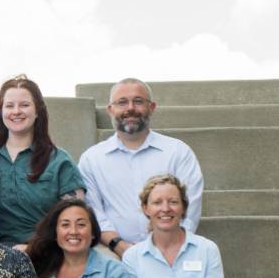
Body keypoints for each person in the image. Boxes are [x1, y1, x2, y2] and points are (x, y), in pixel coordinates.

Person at [80, 79, 204, 253]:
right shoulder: (91, 159)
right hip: (113, 252)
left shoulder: (178, 152)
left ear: (152, 107)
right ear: (110, 110)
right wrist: (118, 245)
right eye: (122, 102)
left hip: (171, 249)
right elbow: (93, 212)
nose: (130, 108)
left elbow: (190, 207)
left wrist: (166, 247)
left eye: (138, 101)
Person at [0, 76, 86, 247]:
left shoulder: (59, 161)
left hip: (47, 252)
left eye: (24, 105)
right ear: (1, 111)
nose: (16, 111)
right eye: (9, 105)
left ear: (38, 110)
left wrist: (34, 248)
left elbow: (74, 219)